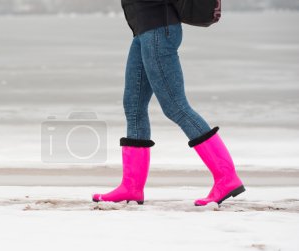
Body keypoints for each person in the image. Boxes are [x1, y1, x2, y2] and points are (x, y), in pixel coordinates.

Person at [92, 0, 245, 206]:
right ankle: (132, 187)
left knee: (176, 106)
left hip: (158, 30)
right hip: (143, 31)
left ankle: (226, 177)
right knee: (133, 106)